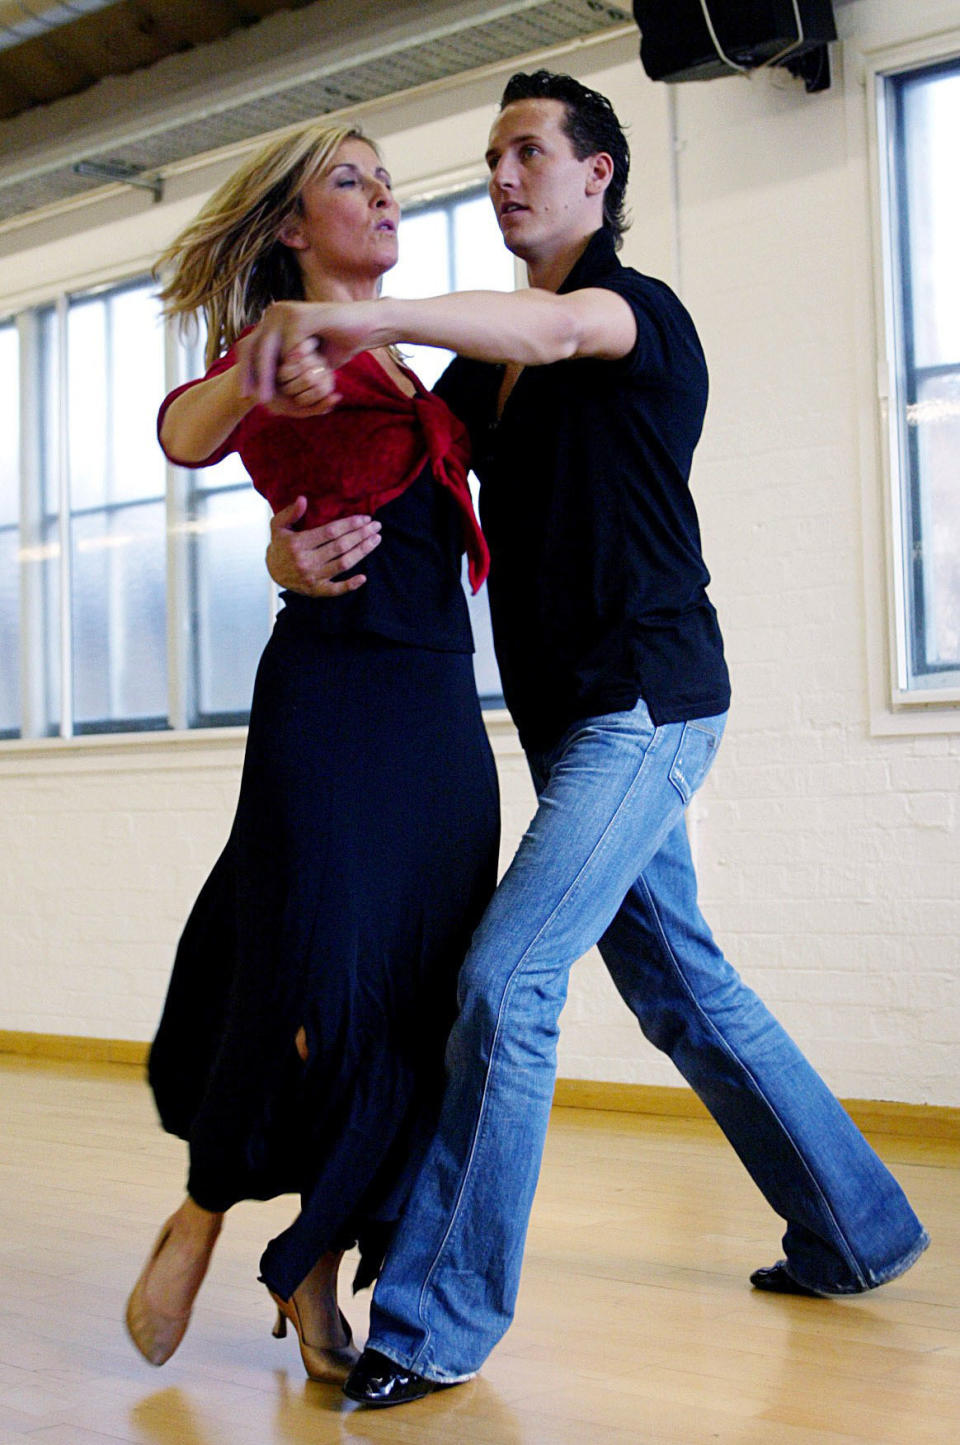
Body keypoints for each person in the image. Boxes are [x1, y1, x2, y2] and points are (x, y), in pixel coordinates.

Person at [250, 71, 929, 1407]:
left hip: (651, 702)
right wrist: (289, 550)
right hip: (575, 731)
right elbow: (381, 486)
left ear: (598, 173)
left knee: (506, 983)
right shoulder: (479, 367)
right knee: (685, 985)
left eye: (528, 152)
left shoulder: (627, 311)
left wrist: (369, 304)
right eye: (492, 155)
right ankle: (859, 1228)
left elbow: (560, 330)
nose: (503, 174)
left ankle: (435, 1324)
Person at [123, 119, 500, 1383]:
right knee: (317, 993)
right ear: (291, 224)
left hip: (441, 714)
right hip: (334, 703)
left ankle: (317, 1265)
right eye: (350, 180)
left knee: (420, 1003)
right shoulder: (288, 345)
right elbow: (186, 429)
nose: (382, 196)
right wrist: (254, 374)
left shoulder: (400, 352)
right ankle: (211, 1203)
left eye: (387, 179)